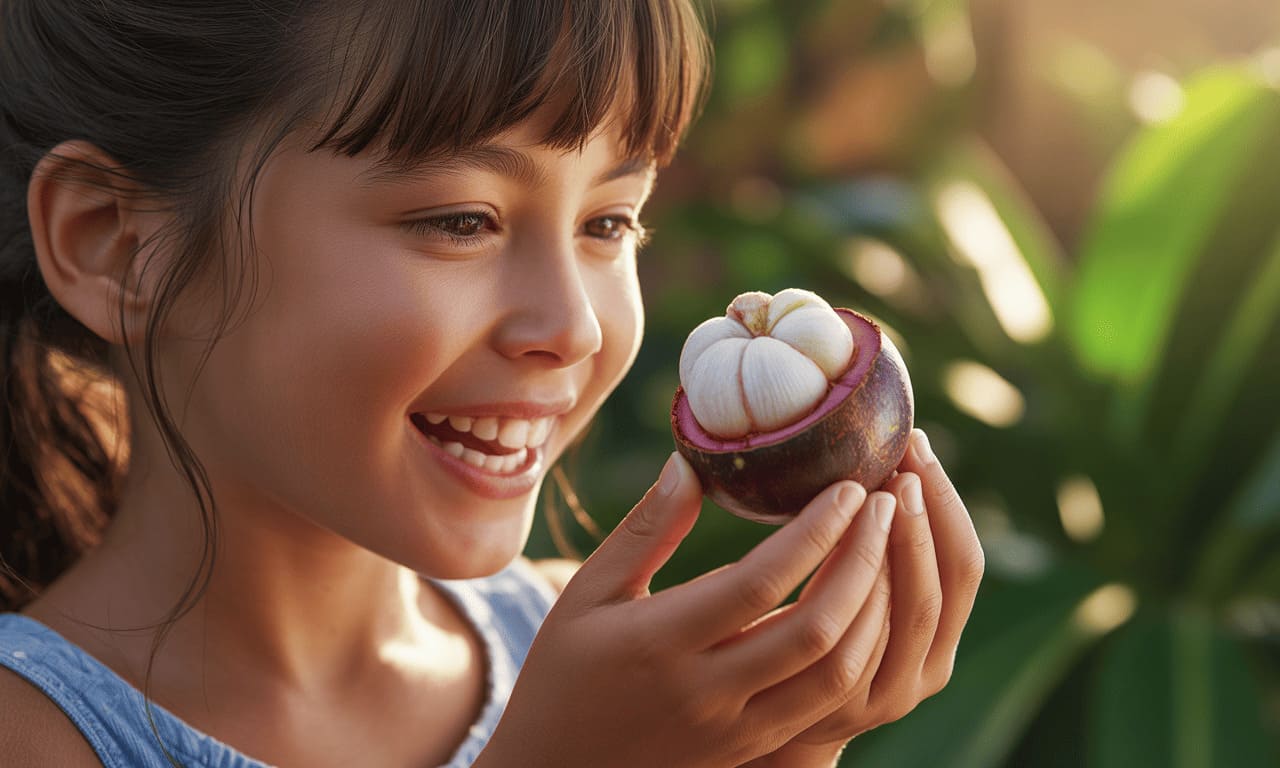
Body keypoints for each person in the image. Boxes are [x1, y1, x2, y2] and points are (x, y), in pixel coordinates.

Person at [0, 1, 985, 766]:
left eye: (609, 223)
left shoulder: (609, 676)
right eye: (461, 221)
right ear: (117, 246)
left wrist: (789, 749)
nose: (573, 327)